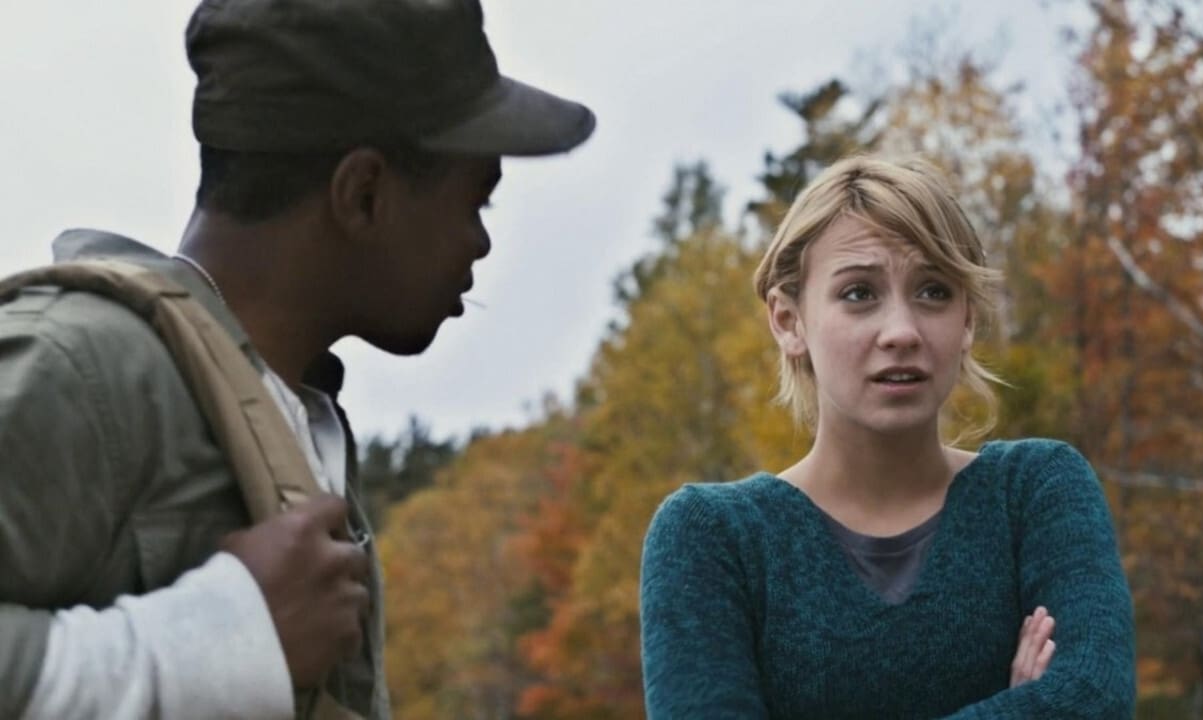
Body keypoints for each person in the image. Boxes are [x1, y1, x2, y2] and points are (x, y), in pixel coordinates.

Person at [0, 0, 594, 718]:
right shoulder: (82, 369)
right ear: (363, 194)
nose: (481, 242)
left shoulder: (293, 412)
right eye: (478, 203)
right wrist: (221, 639)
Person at [639, 155, 1135, 718]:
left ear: (968, 319)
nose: (901, 332)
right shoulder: (713, 538)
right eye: (859, 293)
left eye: (934, 291)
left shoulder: (1035, 493)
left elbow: (1093, 698)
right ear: (788, 321)